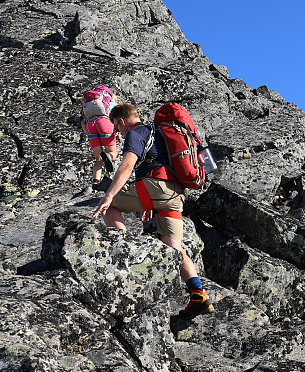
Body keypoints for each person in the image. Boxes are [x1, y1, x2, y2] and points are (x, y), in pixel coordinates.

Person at [92, 102, 214, 318]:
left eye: (116, 128)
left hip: (157, 187)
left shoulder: (136, 133)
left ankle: (124, 254)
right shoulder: (157, 132)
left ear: (121, 121)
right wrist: (147, 204)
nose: (117, 134)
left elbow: (128, 166)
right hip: (175, 196)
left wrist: (109, 194)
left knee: (108, 205)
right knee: (173, 246)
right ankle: (198, 295)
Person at [79, 86, 119, 190]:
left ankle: (95, 183)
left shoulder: (88, 104)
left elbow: (83, 122)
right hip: (104, 123)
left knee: (98, 159)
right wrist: (118, 131)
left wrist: (89, 138)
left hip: (90, 125)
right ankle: (109, 156)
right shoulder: (110, 102)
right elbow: (117, 118)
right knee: (113, 153)